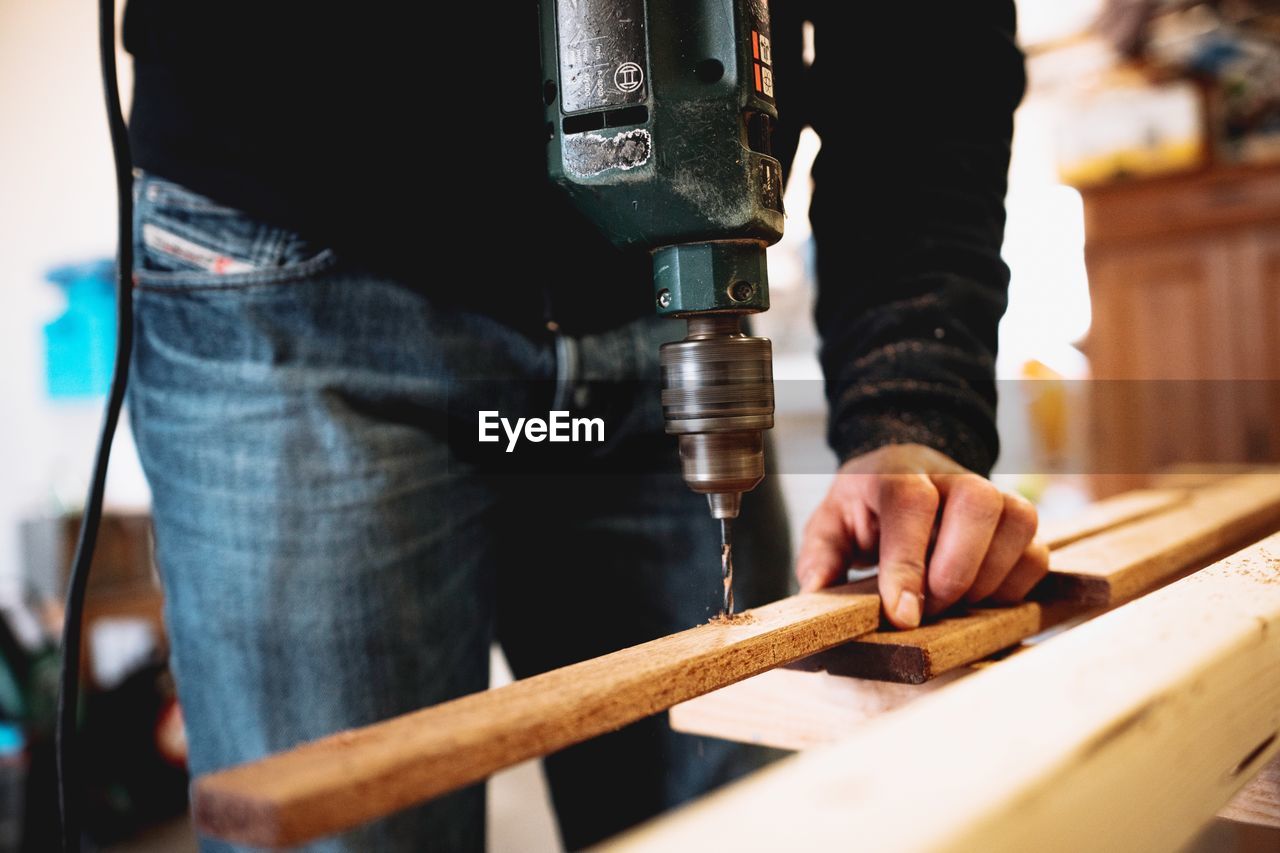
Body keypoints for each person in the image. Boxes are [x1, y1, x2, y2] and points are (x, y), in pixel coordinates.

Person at [121, 2, 1047, 850]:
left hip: (650, 290)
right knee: (343, 820)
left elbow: (929, 37)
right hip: (292, 260)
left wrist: (911, 400)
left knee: (742, 820)